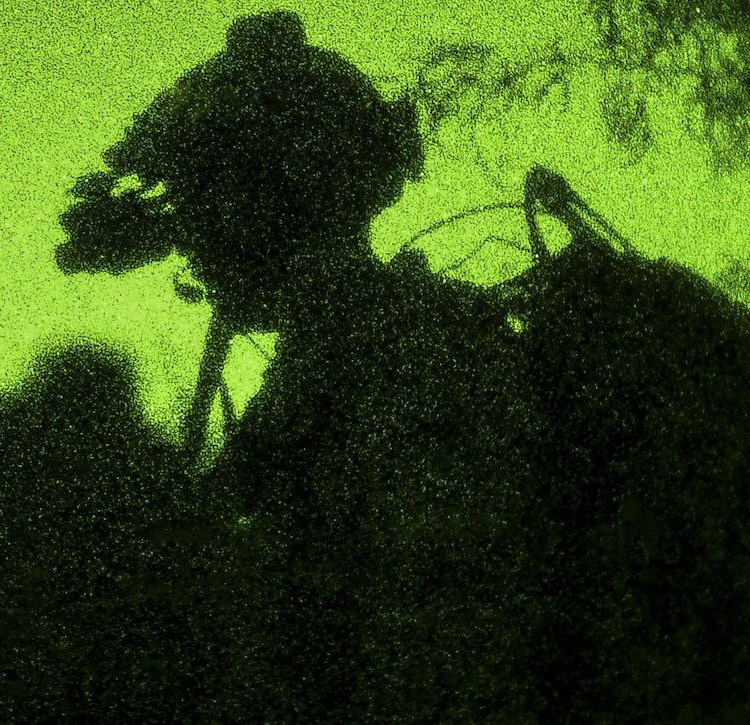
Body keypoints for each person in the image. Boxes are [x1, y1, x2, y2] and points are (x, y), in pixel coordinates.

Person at [90, 10, 538, 720]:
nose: (195, 251)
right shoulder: (425, 313)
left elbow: (253, 471)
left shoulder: (340, 324)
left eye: (204, 218)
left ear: (240, 213)